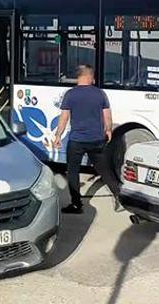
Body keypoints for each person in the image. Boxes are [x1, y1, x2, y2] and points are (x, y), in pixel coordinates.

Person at [54, 65, 117, 214]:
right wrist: (108, 130)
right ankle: (119, 197)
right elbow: (107, 116)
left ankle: (76, 204)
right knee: (105, 170)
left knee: (73, 172)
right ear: (89, 77)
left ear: (79, 77)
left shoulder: (70, 94)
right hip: (97, 139)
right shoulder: (100, 94)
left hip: (77, 141)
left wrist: (58, 136)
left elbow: (64, 118)